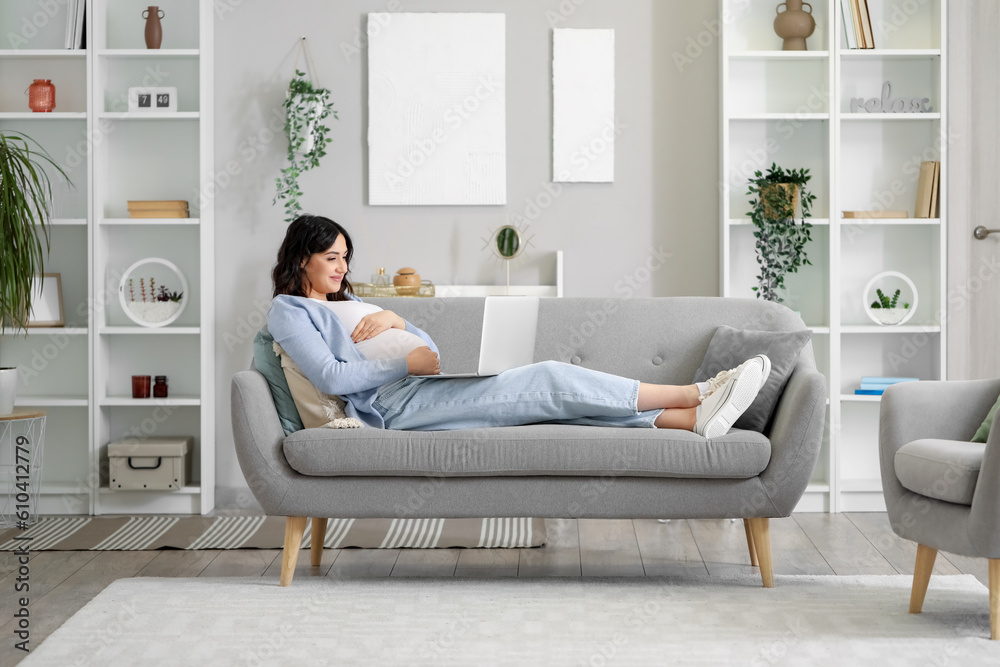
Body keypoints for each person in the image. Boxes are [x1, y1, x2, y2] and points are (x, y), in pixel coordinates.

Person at [267, 215, 770, 437]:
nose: (341, 267)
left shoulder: (350, 302)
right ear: (302, 258)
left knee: (559, 406)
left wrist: (399, 321)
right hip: (393, 406)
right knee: (550, 379)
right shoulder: (290, 310)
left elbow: (431, 352)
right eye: (331, 257)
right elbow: (331, 378)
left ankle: (691, 422)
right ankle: (695, 394)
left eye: (345, 257)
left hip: (420, 385)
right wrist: (405, 360)